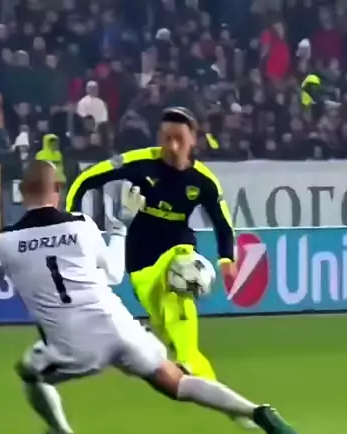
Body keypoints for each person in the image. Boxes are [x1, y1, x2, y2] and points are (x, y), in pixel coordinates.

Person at [0, 159, 303, 434]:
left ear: (21, 192)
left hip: (74, 341)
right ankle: (256, 411)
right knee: (177, 382)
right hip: (120, 325)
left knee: (30, 372)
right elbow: (114, 274)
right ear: (57, 189)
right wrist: (122, 225)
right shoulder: (80, 225)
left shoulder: (4, 241)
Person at [66, 107, 235, 381]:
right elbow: (85, 179)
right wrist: (71, 218)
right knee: (170, 330)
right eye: (167, 138)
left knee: (181, 274)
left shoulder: (204, 181)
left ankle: (185, 361)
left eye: (179, 139)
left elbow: (222, 221)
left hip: (178, 244)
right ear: (159, 138)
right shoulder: (140, 162)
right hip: (141, 256)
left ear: (193, 140)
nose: (173, 146)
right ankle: (212, 388)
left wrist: (227, 257)